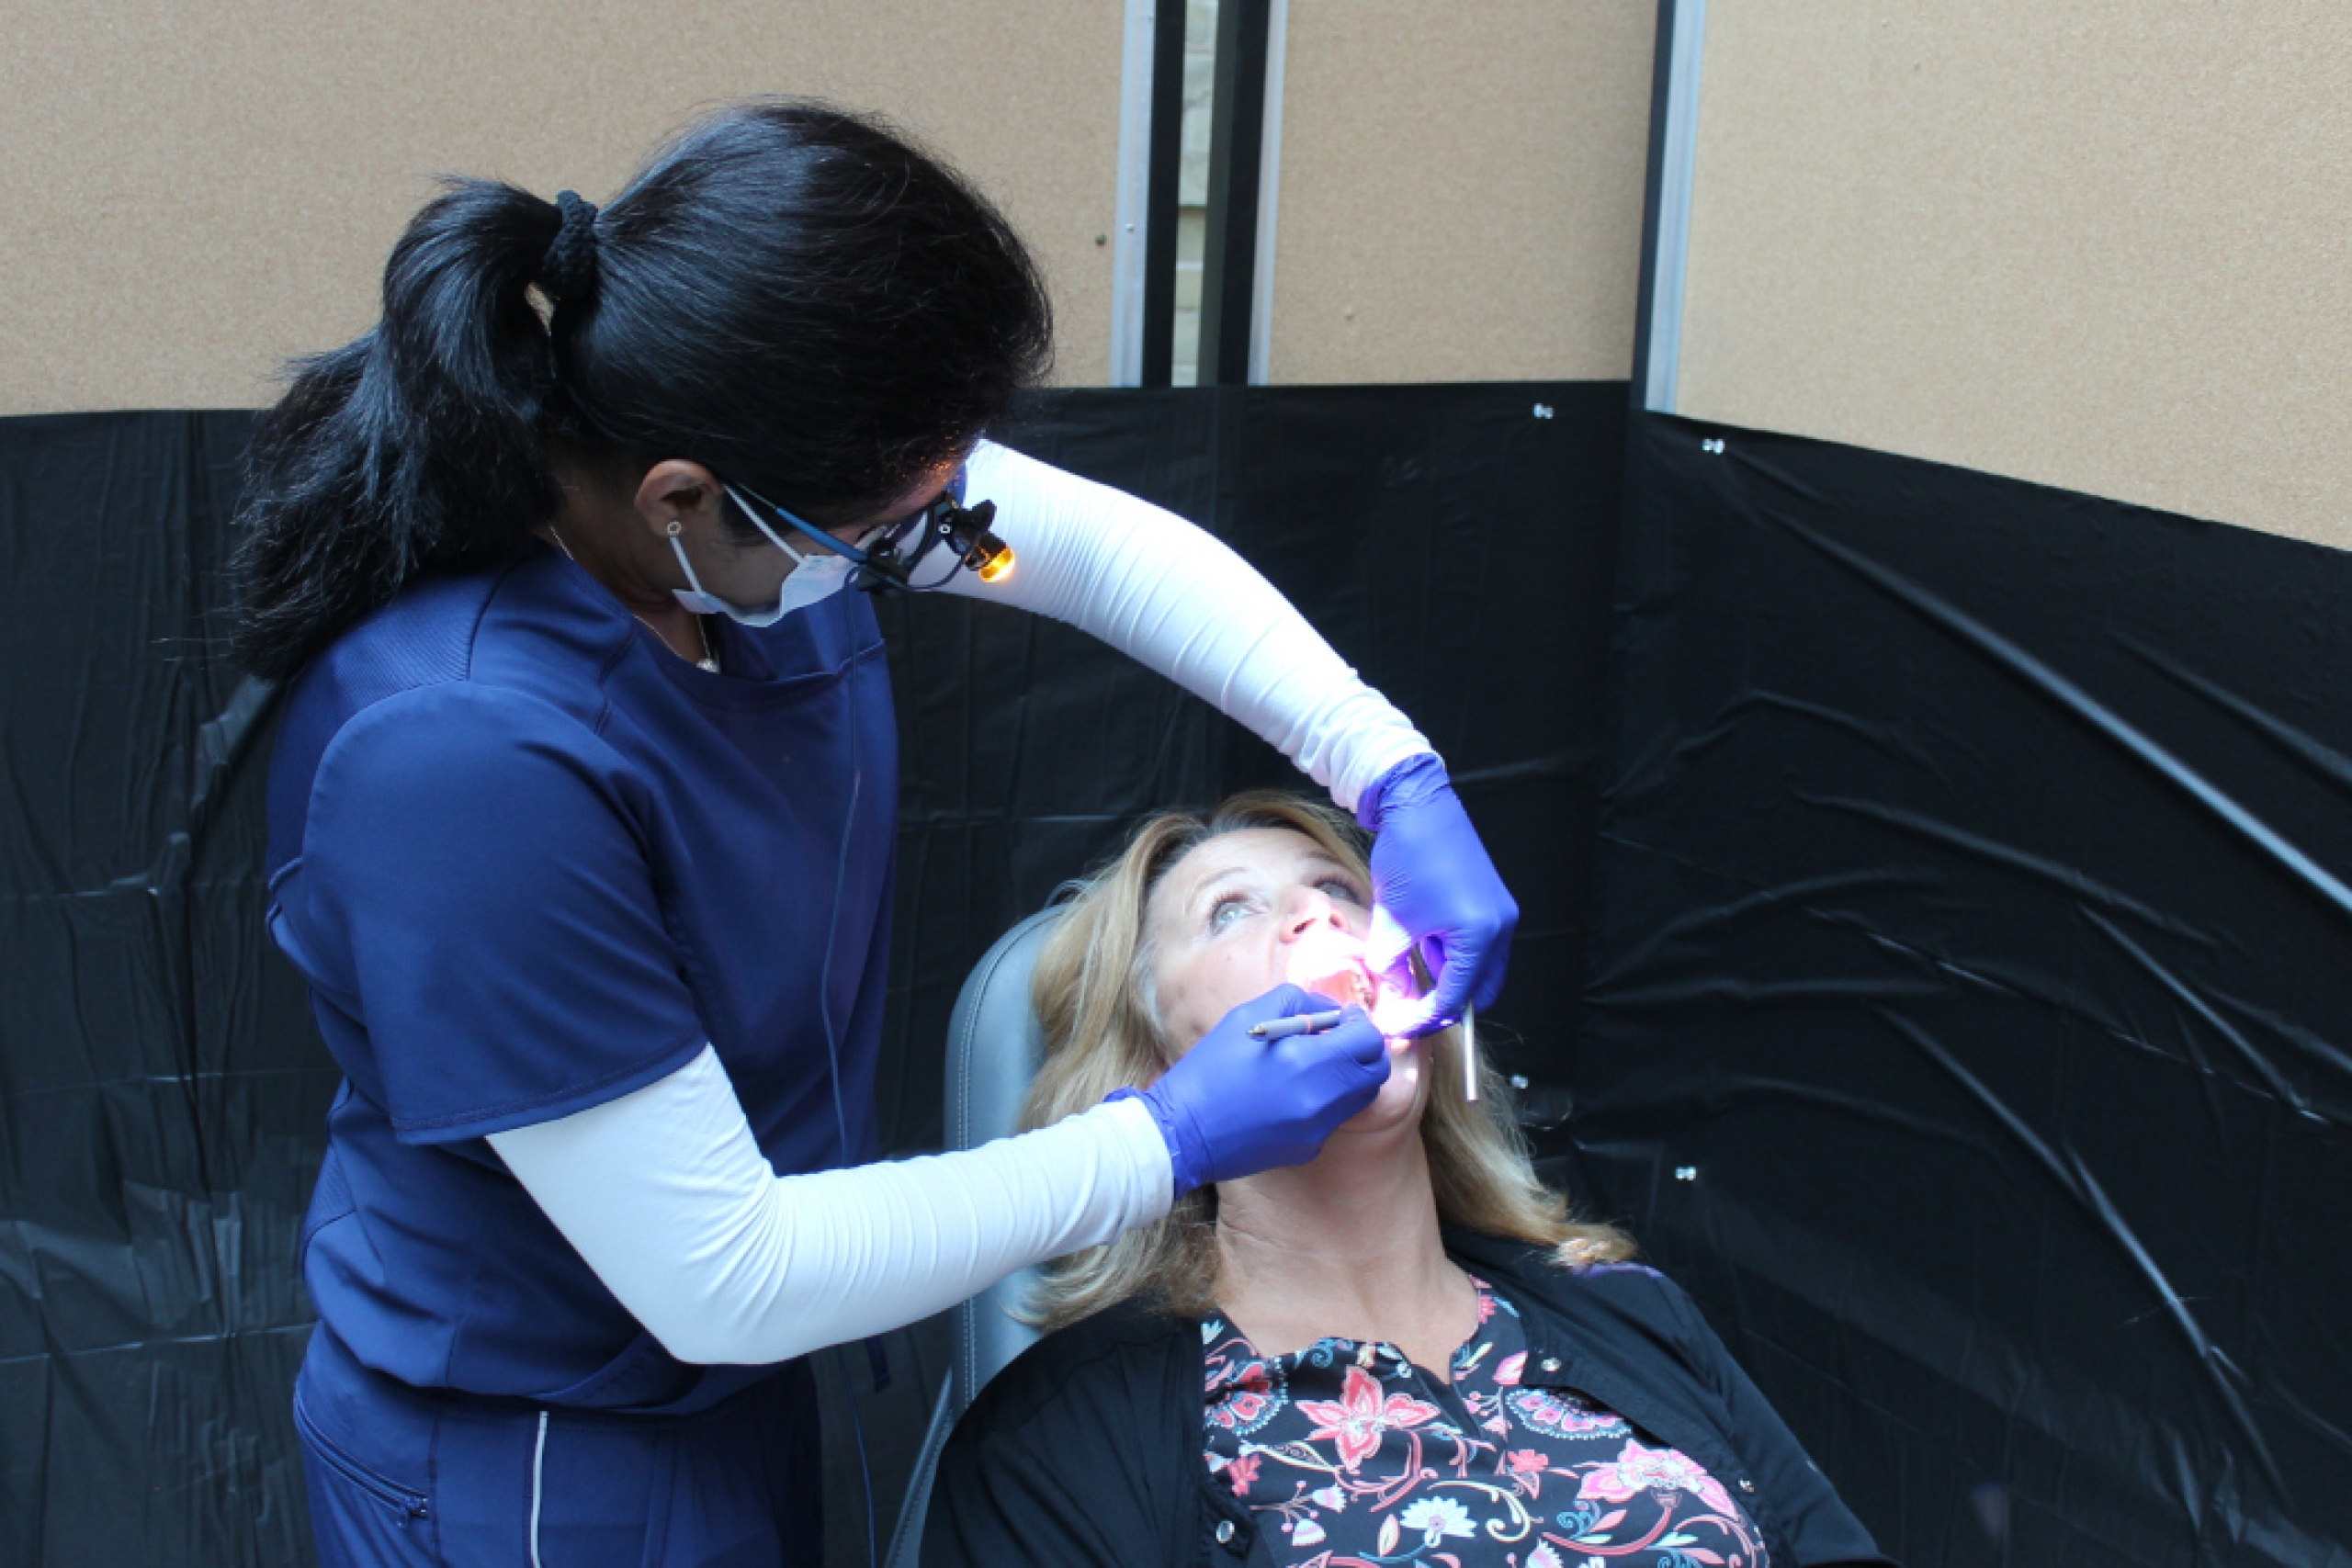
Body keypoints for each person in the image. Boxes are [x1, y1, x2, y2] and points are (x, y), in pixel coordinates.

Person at [240, 102, 1519, 1567]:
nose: (956, 533)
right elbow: (725, 1271)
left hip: (737, 1386)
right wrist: (1170, 1135)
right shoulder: (461, 764)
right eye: (905, 524)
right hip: (537, 1452)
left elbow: (1082, 549)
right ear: (683, 501)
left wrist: (1388, 771)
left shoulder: (767, 515)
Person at [923, 793, 1895, 1568]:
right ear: (1150, 1073)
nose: (1320, 917)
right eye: (1231, 912)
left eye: (1342, 891)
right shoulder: (1058, 1441)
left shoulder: (1634, 1317)